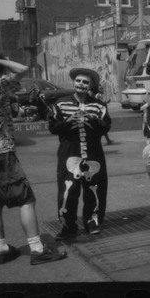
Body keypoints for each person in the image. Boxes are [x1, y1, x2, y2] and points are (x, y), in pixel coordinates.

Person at [0, 51, 67, 265]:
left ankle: (1, 249)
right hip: (1, 152)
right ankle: (37, 250)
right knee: (26, 200)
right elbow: (22, 69)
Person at [49, 68, 112, 239]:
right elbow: (53, 127)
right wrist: (68, 121)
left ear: (90, 85)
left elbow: (106, 126)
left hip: (93, 154)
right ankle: (68, 226)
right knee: (68, 192)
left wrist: (94, 120)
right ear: (74, 82)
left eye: (85, 82)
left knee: (94, 190)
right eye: (78, 81)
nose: (81, 84)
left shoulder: (99, 105)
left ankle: (92, 223)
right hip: (69, 152)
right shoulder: (61, 103)